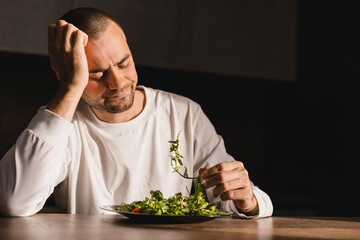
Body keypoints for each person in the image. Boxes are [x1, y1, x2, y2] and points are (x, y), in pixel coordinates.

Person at [0, 7, 273, 217]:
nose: (117, 83)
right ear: (65, 74)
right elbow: (14, 200)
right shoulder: (62, 124)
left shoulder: (184, 113)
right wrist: (71, 86)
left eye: (123, 63)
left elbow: (234, 197)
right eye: (95, 74)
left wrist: (248, 202)